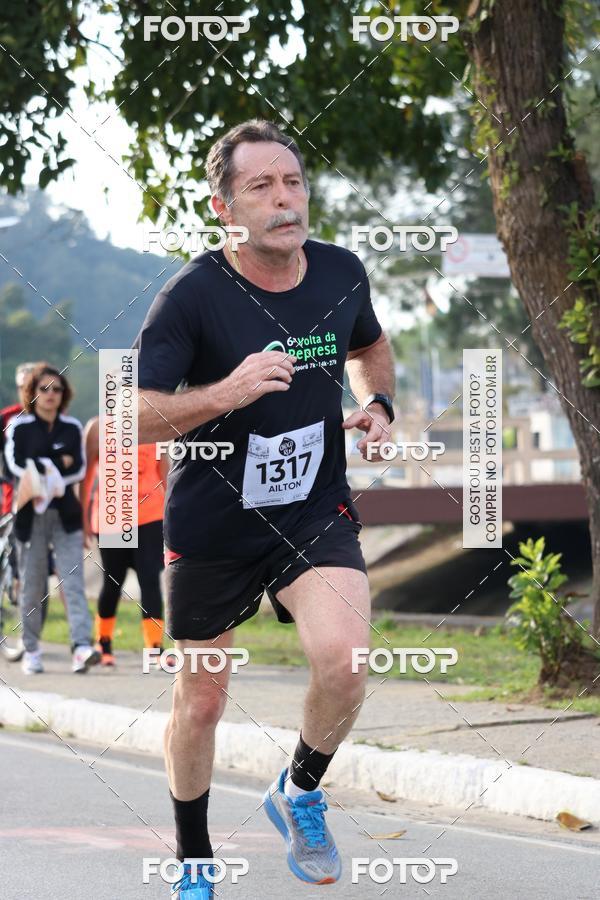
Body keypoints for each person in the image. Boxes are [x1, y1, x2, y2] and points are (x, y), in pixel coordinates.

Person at [133, 119, 395, 898]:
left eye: (293, 183)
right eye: (261, 188)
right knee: (203, 701)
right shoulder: (193, 295)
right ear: (224, 208)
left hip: (313, 508)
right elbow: (131, 414)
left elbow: (370, 347)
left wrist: (378, 403)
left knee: (347, 661)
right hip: (215, 521)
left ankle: (301, 791)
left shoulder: (343, 272)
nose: (285, 202)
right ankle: (193, 859)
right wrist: (227, 393)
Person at [4, 362, 100, 674]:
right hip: (30, 518)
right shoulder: (19, 427)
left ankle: (82, 647)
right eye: (43, 389)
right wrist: (56, 462)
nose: (50, 395)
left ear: (64, 394)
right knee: (31, 586)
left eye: (56, 389)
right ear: (32, 393)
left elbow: (79, 468)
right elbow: (16, 466)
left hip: (66, 518)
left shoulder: (72, 427)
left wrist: (43, 465)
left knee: (72, 583)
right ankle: (31, 650)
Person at [81, 415, 170, 665]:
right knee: (113, 580)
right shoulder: (97, 427)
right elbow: (86, 476)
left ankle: (154, 647)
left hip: (150, 515)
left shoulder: (155, 423)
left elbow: (164, 471)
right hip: (111, 517)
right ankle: (104, 641)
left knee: (150, 578)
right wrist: (83, 518)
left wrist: (171, 515)